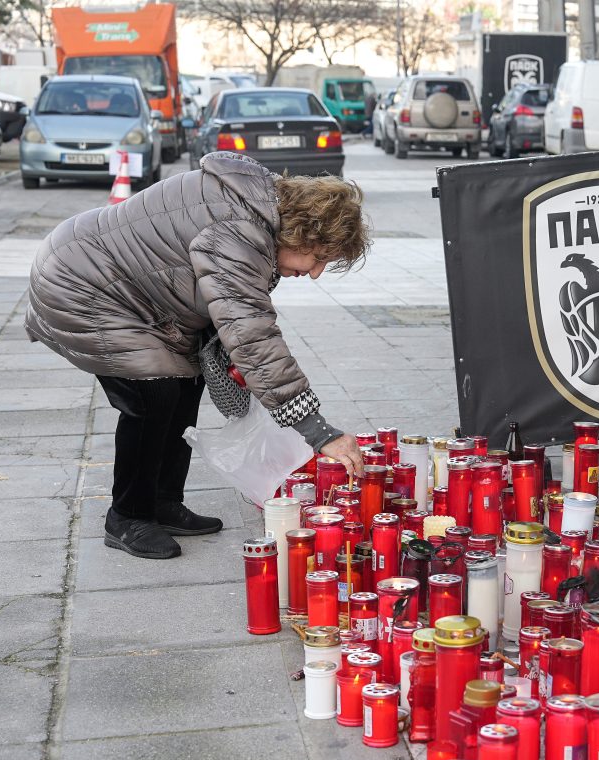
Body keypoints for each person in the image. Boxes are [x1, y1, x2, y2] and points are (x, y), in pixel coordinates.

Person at [25, 152, 369, 560]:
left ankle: (163, 503)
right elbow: (250, 332)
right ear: (303, 233)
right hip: (81, 283)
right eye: (320, 257)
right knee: (153, 393)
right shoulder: (240, 230)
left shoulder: (256, 209)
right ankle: (127, 517)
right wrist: (317, 430)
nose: (315, 272)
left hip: (127, 290)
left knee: (186, 382)